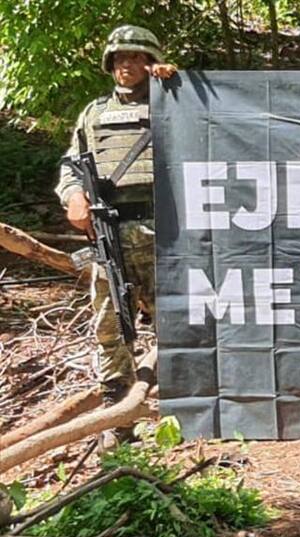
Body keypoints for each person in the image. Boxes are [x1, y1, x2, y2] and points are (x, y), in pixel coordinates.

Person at [55, 25, 176, 403]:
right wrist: (73, 195)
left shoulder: (173, 103)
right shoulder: (94, 114)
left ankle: (179, 399)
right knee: (110, 322)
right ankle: (117, 402)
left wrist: (176, 82)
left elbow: (211, 118)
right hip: (111, 230)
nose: (127, 64)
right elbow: (71, 165)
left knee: (175, 316)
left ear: (151, 62)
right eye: (121, 57)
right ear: (110, 64)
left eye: (137, 57)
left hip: (165, 229)